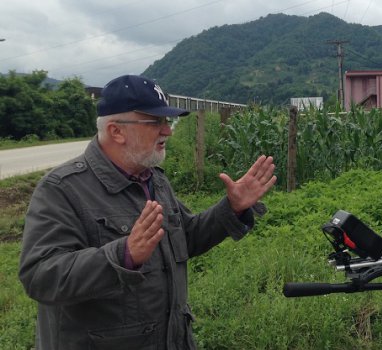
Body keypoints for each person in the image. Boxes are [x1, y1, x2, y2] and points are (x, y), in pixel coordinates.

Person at [18, 74, 277, 350]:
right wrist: (123, 255)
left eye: (167, 121)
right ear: (116, 131)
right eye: (155, 122)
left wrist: (232, 209)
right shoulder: (63, 189)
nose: (168, 131)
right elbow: (40, 275)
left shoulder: (153, 179)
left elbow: (184, 238)